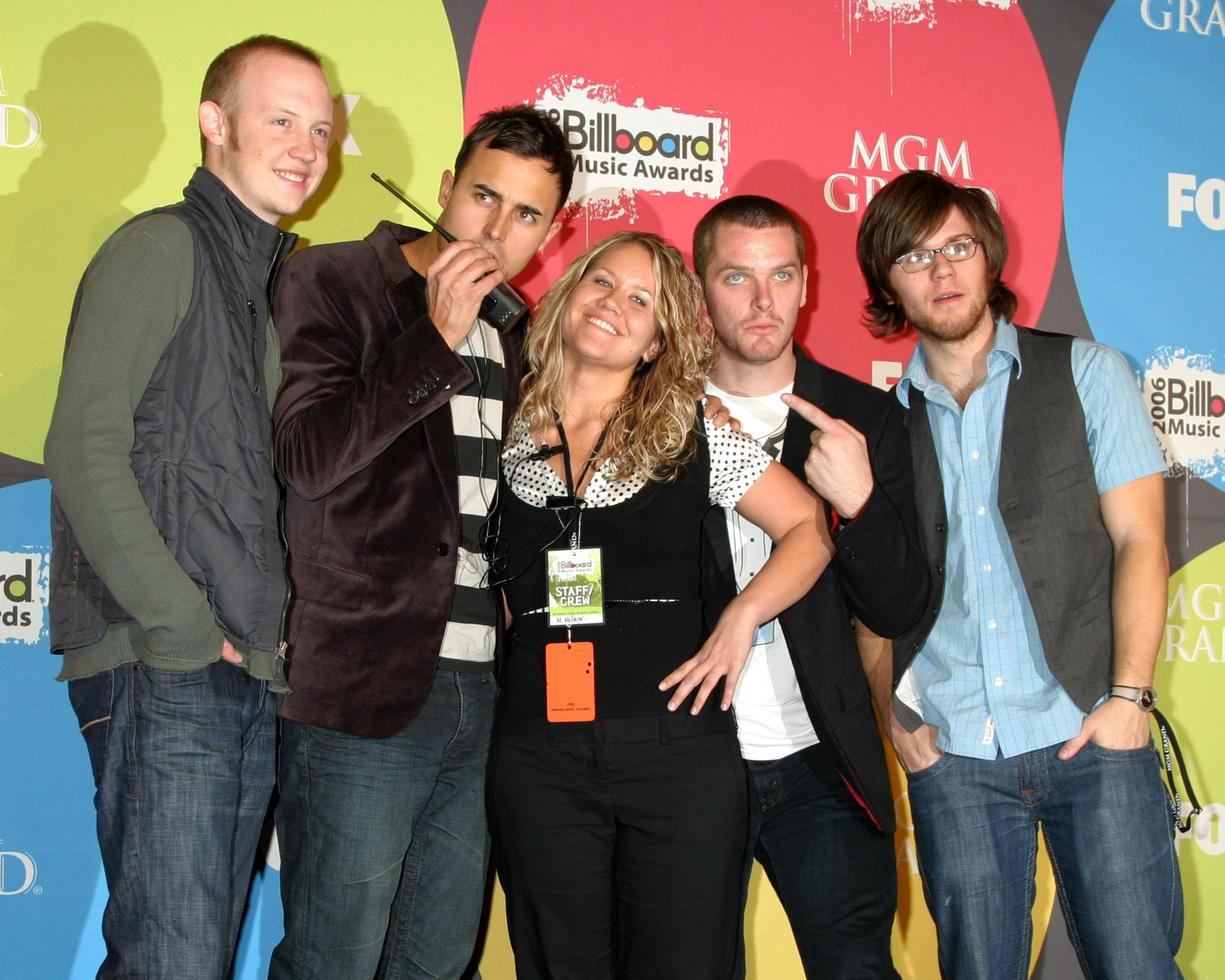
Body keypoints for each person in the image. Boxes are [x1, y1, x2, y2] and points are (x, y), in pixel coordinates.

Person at [43, 36, 333, 977]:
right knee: (172, 961)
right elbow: (84, 448)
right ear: (214, 124)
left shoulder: (266, 280)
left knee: (187, 959)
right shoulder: (160, 247)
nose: (305, 146)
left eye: (321, 129)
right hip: (166, 660)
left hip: (238, 663)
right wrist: (177, 622)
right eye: (280, 120)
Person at [267, 106, 572, 979]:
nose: (495, 229)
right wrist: (432, 337)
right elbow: (309, 459)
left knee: (437, 963)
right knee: (335, 958)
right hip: (363, 689)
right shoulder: (333, 281)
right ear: (444, 189)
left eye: (524, 215)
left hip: (485, 695)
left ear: (550, 232)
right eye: (483, 196)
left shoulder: (524, 332)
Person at [856, 169, 1181, 978]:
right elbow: (870, 597)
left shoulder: (1088, 373)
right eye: (913, 257)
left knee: (1137, 966)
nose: (941, 272)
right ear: (887, 284)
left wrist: (1128, 699)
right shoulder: (881, 427)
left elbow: (1141, 540)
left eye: (957, 247)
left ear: (988, 253)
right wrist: (896, 721)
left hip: (1089, 731)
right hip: (954, 753)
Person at [488, 230, 832, 980]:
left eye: (640, 300)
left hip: (676, 758)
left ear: (655, 342)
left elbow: (808, 529)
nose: (614, 305)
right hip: (537, 757)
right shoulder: (499, 429)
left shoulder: (695, 430)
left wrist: (739, 621)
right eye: (602, 283)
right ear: (568, 293)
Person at [692, 195, 929, 978]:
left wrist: (856, 502)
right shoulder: (651, 414)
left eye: (781, 275)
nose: (762, 301)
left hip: (819, 763)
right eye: (737, 277)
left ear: (805, 284)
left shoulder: (862, 417)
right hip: (687, 762)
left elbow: (896, 608)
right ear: (700, 290)